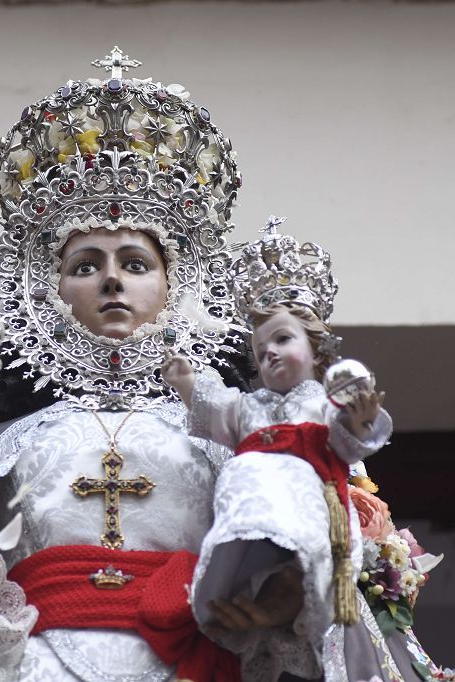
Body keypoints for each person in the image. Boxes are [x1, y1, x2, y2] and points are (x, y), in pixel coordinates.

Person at [0, 50, 455, 682]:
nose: (112, 280)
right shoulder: (11, 444)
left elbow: (284, 556)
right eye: (86, 264)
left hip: (191, 658)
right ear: (52, 292)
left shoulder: (225, 439)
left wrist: (287, 598)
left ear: (172, 289)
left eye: (136, 263)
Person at [161, 225, 392, 680]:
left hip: (307, 498)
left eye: (283, 339)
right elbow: (217, 410)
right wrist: (186, 381)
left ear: (317, 348)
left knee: (303, 559)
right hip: (250, 509)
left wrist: (360, 419)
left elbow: (347, 444)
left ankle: (292, 588)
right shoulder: (250, 408)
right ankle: (247, 585)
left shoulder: (323, 404)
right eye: (259, 347)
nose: (269, 352)